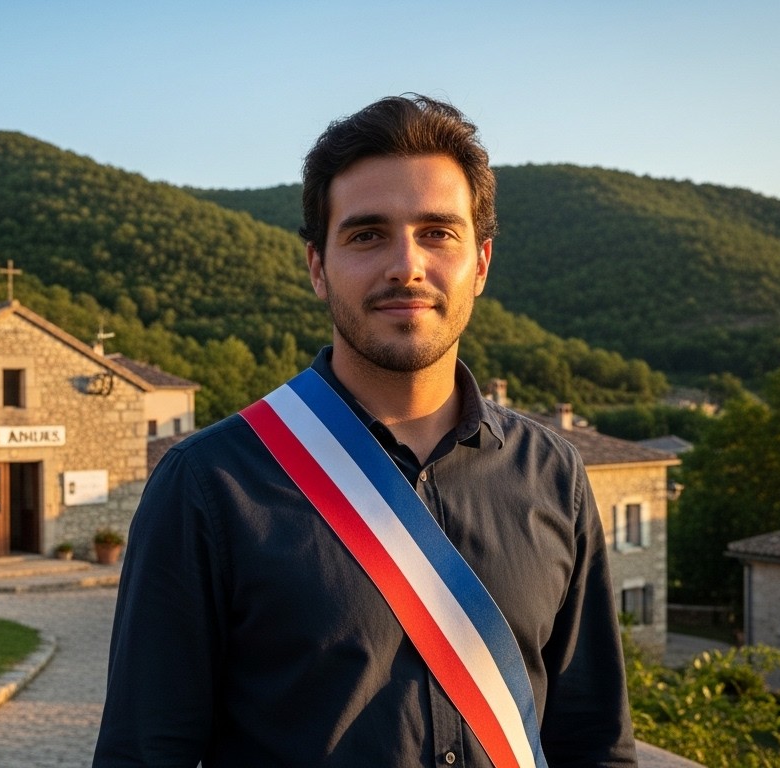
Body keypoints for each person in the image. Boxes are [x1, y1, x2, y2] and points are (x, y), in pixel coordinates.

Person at [93, 94, 635, 767]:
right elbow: (145, 755)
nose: (405, 265)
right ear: (317, 267)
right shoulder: (208, 486)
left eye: (438, 232)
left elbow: (593, 743)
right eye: (366, 234)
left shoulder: (553, 473)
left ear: (482, 263)